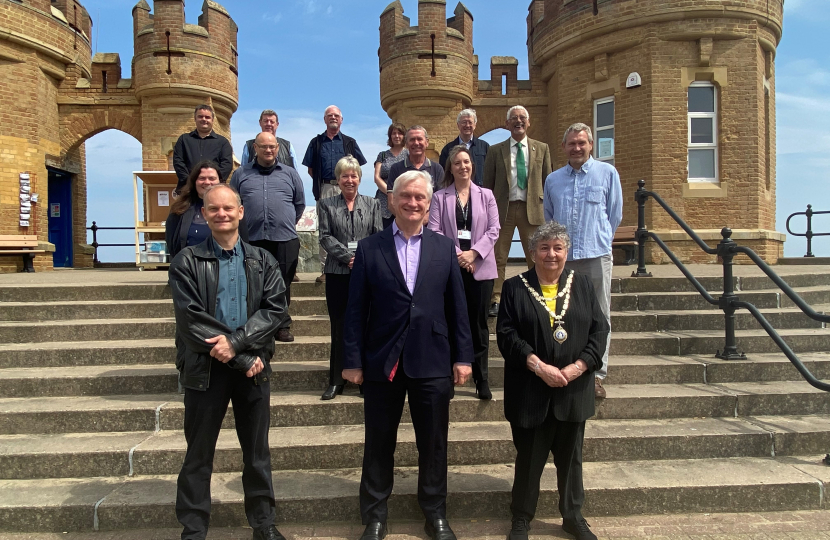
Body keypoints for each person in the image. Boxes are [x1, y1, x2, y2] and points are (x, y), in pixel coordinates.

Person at [342, 170, 473, 540]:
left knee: (433, 443)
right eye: (406, 197)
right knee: (378, 441)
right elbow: (355, 311)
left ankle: (435, 513)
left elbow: (457, 308)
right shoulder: (370, 248)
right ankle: (375, 515)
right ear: (392, 201)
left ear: (429, 204)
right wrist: (351, 361)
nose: (413, 203)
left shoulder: (445, 247)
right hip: (382, 359)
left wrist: (463, 357)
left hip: (432, 358)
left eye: (420, 198)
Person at [169, 183, 288, 540]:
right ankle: (193, 528)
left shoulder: (262, 259)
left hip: (252, 368)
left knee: (256, 455)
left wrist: (237, 345)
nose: (221, 213)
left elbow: (275, 309)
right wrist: (240, 355)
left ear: (240, 212)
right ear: (204, 214)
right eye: (213, 209)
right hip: (207, 369)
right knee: (199, 455)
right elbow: (191, 319)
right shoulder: (186, 261)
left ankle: (264, 524)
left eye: (228, 208)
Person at [496, 221, 609, 540]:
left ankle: (573, 516)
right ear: (532, 253)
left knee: (571, 459)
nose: (551, 254)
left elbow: (599, 330)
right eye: (544, 248)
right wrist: (537, 365)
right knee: (529, 458)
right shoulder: (515, 287)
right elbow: (506, 334)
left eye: (557, 248)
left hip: (574, 389)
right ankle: (521, 518)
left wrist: (579, 366)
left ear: (566, 252)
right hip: (531, 390)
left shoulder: (583, 285)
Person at [544, 123, 622, 399]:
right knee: (562, 314)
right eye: (571, 144)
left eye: (581, 143)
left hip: (596, 256)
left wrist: (598, 241)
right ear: (564, 147)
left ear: (590, 144)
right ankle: (565, 366)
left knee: (600, 314)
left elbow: (614, 215)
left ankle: (596, 375)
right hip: (563, 260)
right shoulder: (553, 180)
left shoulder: (607, 174)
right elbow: (550, 218)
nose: (576, 148)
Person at [428, 146, 500, 400]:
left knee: (478, 325)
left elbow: (494, 230)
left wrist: (474, 254)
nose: (462, 166)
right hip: (451, 268)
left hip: (481, 268)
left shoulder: (487, 195)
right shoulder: (439, 197)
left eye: (466, 162)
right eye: (457, 163)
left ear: (472, 165)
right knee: (450, 321)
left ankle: (481, 379)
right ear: (450, 168)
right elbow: (435, 231)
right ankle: (449, 376)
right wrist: (459, 254)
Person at [317, 155, 383, 400]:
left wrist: (363, 259)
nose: (349, 180)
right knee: (340, 327)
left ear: (359, 178)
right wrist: (348, 257)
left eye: (353, 175)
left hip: (366, 274)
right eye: (344, 175)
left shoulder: (373, 204)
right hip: (338, 273)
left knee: (366, 325)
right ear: (337, 179)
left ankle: (365, 378)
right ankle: (337, 380)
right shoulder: (327, 205)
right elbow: (325, 236)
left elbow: (378, 235)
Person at [231, 132, 305, 343]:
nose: (269, 150)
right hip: (251, 239)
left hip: (284, 238)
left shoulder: (290, 174)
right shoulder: (241, 174)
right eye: (264, 147)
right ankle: (255, 325)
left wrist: (284, 220)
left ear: (277, 148)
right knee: (253, 283)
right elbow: (234, 204)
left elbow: (299, 204)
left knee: (282, 283)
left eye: (272, 146)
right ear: (255, 148)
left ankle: (281, 325)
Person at [483, 105, 551, 318]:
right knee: (498, 256)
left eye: (522, 118)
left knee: (535, 255)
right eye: (514, 118)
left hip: (532, 209)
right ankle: (496, 298)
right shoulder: (495, 150)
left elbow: (547, 182)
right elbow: (487, 185)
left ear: (528, 122)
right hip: (503, 209)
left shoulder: (542, 148)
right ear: (507, 124)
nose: (518, 121)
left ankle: (537, 294)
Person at [302, 105, 368, 283]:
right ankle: (326, 269)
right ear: (324, 119)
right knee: (327, 228)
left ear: (341, 119)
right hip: (325, 187)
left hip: (347, 187)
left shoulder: (350, 142)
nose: (333, 118)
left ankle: (353, 262)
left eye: (336, 115)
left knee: (352, 227)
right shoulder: (316, 142)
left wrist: (346, 181)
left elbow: (358, 165)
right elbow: (311, 169)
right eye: (329, 115)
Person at [166, 161, 251, 260]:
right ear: (194, 181)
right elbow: (172, 243)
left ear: (220, 181)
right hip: (190, 268)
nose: (207, 182)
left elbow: (244, 240)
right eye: (202, 178)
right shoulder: (179, 210)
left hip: (227, 266)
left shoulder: (233, 208)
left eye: (212, 178)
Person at [386, 126, 444, 218]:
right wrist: (408, 221)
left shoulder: (437, 169)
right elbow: (392, 202)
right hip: (403, 226)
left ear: (427, 142)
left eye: (419, 139)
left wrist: (421, 221)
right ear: (406, 144)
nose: (416, 143)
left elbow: (440, 202)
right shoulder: (396, 169)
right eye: (412, 140)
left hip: (429, 226)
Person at [172, 104, 233, 191]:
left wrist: (213, 182)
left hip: (213, 190)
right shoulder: (184, 140)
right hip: (187, 190)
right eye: (200, 116)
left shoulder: (223, 142)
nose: (204, 119)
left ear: (212, 119)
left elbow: (226, 166)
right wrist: (191, 182)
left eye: (207, 117)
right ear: (195, 118)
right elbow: (178, 163)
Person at [438, 109, 489, 186]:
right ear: (458, 125)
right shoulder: (448, 149)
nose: (467, 125)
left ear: (475, 125)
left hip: (479, 193)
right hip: (455, 193)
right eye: (464, 122)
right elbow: (444, 174)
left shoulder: (484, 147)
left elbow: (491, 172)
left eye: (470, 122)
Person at [373, 122, 408, 229]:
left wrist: (397, 194)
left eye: (400, 133)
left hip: (403, 199)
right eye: (394, 133)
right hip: (383, 202)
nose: (397, 136)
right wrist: (390, 193)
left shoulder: (409, 155)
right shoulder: (383, 155)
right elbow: (377, 177)